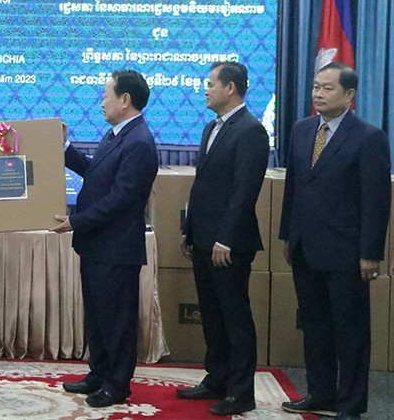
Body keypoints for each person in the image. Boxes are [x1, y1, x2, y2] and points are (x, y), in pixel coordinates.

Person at [279, 62, 390, 419]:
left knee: (351, 331)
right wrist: (287, 235)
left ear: (349, 95)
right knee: (314, 326)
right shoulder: (301, 130)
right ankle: (321, 393)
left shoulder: (369, 137)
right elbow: (294, 188)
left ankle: (351, 404)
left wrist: (370, 253)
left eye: (327, 88)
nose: (318, 94)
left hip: (346, 252)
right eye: (315, 87)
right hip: (304, 247)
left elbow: (376, 201)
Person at [51, 69, 158, 408]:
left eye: (106, 94)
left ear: (125, 100)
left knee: (117, 320)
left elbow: (121, 200)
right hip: (99, 246)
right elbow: (95, 173)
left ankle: (117, 384)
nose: (102, 101)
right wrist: (65, 147)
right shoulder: (117, 135)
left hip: (116, 248)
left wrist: (75, 222)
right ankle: (98, 373)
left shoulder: (139, 141)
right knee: (98, 316)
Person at [176, 62, 269, 416]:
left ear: (230, 88)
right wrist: (190, 230)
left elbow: (244, 193)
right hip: (203, 239)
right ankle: (216, 378)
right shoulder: (210, 128)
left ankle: (241, 391)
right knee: (211, 315)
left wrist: (225, 239)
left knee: (234, 316)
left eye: (211, 84)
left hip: (230, 244)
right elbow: (204, 187)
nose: (205, 89)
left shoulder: (251, 131)